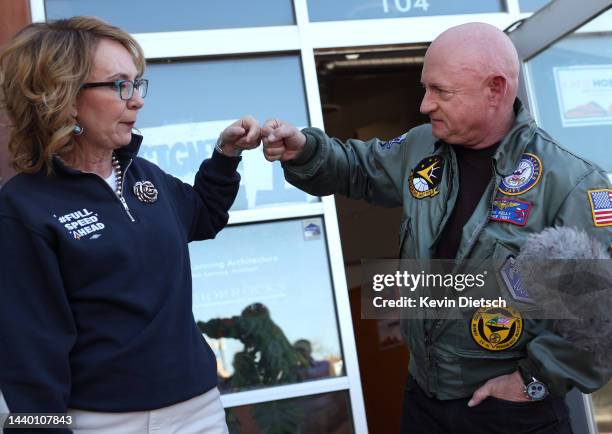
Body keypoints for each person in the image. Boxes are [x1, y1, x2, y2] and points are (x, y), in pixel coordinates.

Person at [262, 22, 612, 434]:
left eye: (441, 92)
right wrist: (306, 150)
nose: (425, 105)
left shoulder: (570, 182)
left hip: (510, 413)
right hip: (424, 398)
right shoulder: (421, 147)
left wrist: (534, 381)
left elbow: (601, 314)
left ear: (496, 89)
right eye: (425, 88)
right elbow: (358, 168)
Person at [0, 17, 260, 433]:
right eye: (120, 85)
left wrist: (225, 156)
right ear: (63, 96)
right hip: (105, 423)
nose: (136, 100)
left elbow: (204, 216)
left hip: (201, 409)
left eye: (138, 84)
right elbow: (28, 356)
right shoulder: (23, 209)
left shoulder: (145, 177)